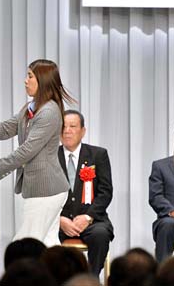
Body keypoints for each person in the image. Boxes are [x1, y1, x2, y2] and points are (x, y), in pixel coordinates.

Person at [0, 59, 72, 246]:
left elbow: (27, 150)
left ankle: (22, 275)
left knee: (26, 243)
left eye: (30, 76)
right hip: (45, 188)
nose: (25, 80)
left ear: (43, 80)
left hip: (46, 189)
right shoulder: (31, 108)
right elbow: (4, 129)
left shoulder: (48, 112)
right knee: (47, 243)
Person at [57, 109, 113, 275]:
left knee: (100, 235)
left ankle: (91, 279)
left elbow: (105, 191)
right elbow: (43, 193)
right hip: (59, 222)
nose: (67, 130)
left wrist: (88, 217)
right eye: (63, 127)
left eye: (72, 126)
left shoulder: (98, 155)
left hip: (92, 220)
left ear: (83, 131)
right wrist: (59, 219)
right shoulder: (51, 156)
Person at [148, 156, 174, 262]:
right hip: (173, 219)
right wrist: (172, 211)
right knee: (167, 225)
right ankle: (162, 274)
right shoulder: (160, 166)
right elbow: (155, 197)